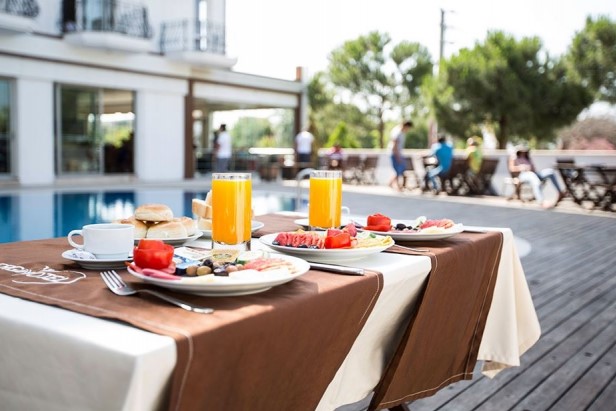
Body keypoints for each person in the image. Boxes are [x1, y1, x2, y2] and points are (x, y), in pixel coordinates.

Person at [388, 120, 413, 191]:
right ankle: (397, 186)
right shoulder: (398, 132)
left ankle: (391, 183)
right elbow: (395, 145)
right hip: (395, 154)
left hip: (398, 153)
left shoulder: (401, 132)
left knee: (400, 170)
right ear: (406, 126)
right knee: (398, 170)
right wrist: (398, 156)